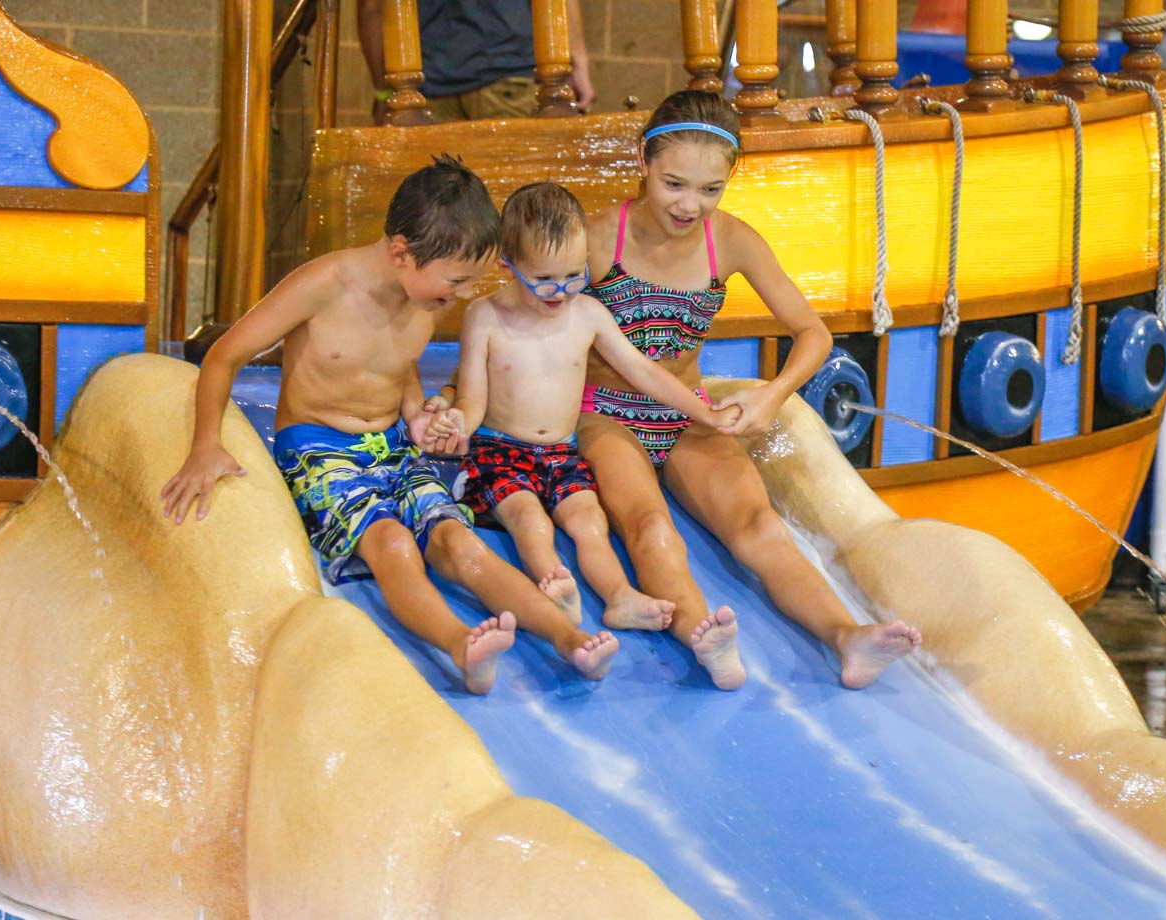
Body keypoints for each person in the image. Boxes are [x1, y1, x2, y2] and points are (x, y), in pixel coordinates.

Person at [159, 155, 618, 694]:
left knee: (460, 542)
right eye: (458, 281)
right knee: (394, 545)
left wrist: (418, 416)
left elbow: (395, 364)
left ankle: (567, 638)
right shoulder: (324, 285)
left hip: (394, 447)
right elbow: (223, 357)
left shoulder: (425, 290)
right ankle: (460, 645)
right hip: (318, 449)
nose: (464, 294)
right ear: (401, 253)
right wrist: (205, 444)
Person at [576, 90, 923, 691]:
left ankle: (848, 638)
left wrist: (773, 395)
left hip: (690, 417)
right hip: (603, 413)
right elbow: (528, 313)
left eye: (710, 189)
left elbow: (812, 333)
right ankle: (699, 635)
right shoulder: (598, 237)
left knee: (759, 525)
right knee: (650, 526)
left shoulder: (730, 240)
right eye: (674, 184)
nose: (690, 205)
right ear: (643, 162)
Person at [421, 182, 739, 635]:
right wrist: (457, 420)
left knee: (590, 519)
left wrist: (704, 413)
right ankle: (554, 587)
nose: (561, 292)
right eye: (545, 279)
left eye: (574, 276)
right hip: (499, 450)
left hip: (562, 451)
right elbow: (472, 397)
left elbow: (643, 372)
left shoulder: (587, 313)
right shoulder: (485, 316)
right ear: (507, 265)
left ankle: (618, 597)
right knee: (529, 518)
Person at [358, 0, 596, 125]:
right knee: (513, 207)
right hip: (507, 71)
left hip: (425, 84)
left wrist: (384, 91)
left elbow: (371, 8)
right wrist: (577, 58)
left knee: (434, 211)